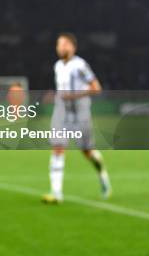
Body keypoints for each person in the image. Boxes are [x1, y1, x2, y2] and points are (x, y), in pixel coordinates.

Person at [42, 32, 112, 204]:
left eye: (65, 44)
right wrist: (55, 96)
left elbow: (96, 88)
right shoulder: (57, 66)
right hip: (62, 113)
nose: (61, 47)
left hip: (80, 114)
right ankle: (56, 193)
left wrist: (73, 96)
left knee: (87, 151)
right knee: (58, 148)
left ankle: (102, 174)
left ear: (73, 47)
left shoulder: (80, 65)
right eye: (59, 44)